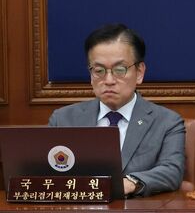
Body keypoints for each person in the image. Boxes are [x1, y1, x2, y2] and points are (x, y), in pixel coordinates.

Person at [48, 24, 185, 197]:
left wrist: (129, 183)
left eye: (120, 70)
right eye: (99, 70)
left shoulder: (167, 122)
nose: (109, 80)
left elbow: (171, 171)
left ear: (140, 72)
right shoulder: (63, 119)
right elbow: (48, 172)